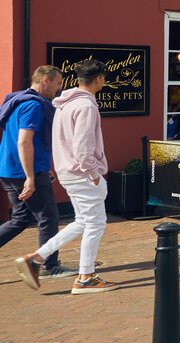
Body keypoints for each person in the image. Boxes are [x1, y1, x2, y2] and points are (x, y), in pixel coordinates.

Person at [15, 60, 117, 293]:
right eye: (103, 77)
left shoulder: (63, 103)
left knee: (82, 222)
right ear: (98, 79)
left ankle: (36, 259)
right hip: (82, 174)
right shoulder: (86, 106)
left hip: (67, 172)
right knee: (95, 224)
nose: (104, 81)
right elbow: (83, 149)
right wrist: (94, 174)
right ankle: (85, 277)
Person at [0, 65, 74, 279]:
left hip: (9, 169)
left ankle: (48, 264)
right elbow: (24, 142)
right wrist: (31, 177)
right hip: (24, 172)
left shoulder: (16, 101)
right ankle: (49, 266)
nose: (58, 88)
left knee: (21, 218)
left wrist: (44, 166)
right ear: (45, 80)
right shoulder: (33, 105)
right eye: (57, 83)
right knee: (48, 217)